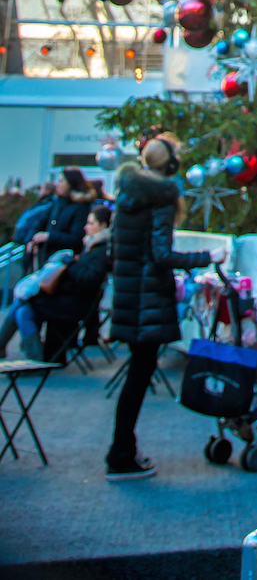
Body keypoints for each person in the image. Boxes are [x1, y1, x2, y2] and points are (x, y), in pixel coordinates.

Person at [106, 132, 227, 481]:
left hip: (130, 299)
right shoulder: (159, 199)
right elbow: (161, 254)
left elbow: (123, 253)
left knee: (137, 374)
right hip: (148, 301)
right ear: (171, 165)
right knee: (138, 377)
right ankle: (121, 454)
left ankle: (123, 449)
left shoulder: (126, 197)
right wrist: (208, 256)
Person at [0, 202, 113, 360]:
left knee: (24, 302)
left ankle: (23, 353)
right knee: (22, 309)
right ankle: (33, 357)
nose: (86, 227)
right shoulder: (93, 246)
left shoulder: (101, 251)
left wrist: (70, 264)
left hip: (75, 303)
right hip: (70, 299)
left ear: (103, 226)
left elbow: (88, 279)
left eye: (90, 223)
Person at [25, 168, 94, 263]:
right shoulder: (56, 203)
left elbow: (76, 238)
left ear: (70, 183)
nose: (58, 185)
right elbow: (40, 223)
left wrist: (49, 236)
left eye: (61, 181)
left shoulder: (80, 208)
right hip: (46, 259)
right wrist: (31, 240)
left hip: (64, 263)